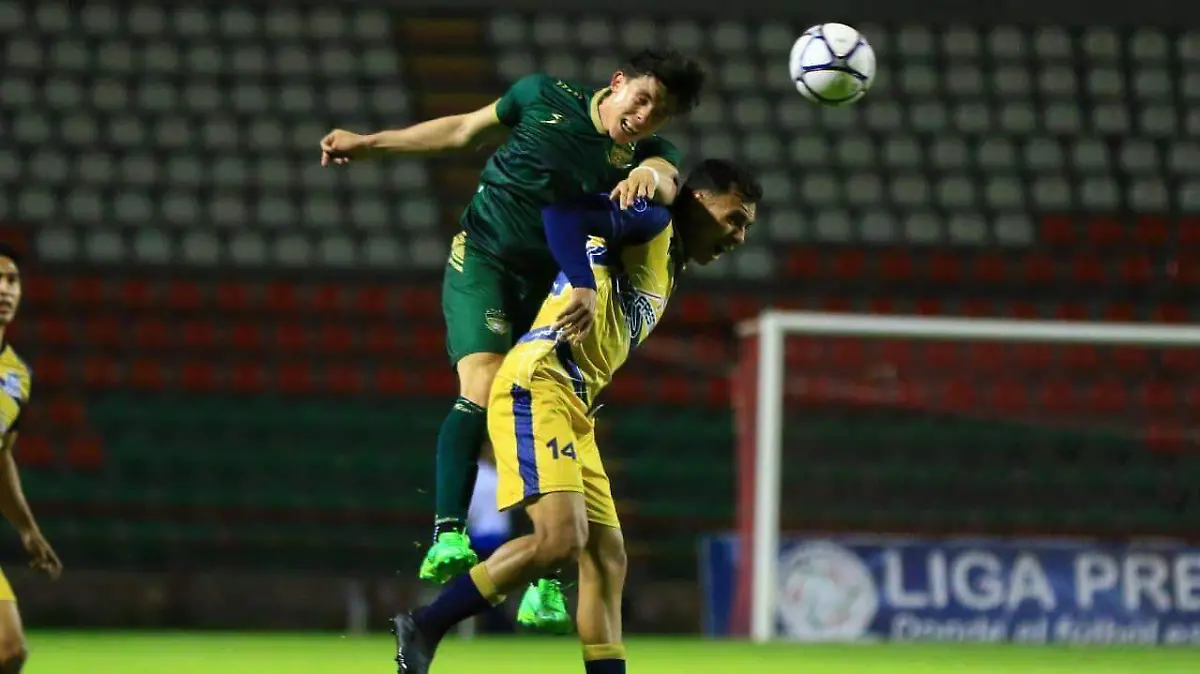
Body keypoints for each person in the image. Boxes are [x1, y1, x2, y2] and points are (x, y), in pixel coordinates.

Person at [320, 49, 705, 630]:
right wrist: (371, 143)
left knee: (546, 411)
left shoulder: (648, 152)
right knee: (484, 381)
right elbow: (461, 130)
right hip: (486, 261)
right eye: (642, 98)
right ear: (618, 82)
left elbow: (667, 178)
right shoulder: (542, 96)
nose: (644, 115)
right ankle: (447, 533)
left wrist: (646, 174)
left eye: (660, 113)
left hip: (550, 288)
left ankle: (547, 573)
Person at [389, 159, 762, 674]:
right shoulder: (653, 223)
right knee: (562, 541)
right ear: (699, 201)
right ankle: (427, 624)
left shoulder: (670, 256)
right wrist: (584, 284)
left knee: (607, 559)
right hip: (539, 383)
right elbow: (563, 215)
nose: (739, 236)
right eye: (735, 219)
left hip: (574, 405)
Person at [0, 243, 64, 673]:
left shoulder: (17, 376)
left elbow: (1, 456)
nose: (5, 289)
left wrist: (27, 529)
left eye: (12, 280)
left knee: (10, 651)